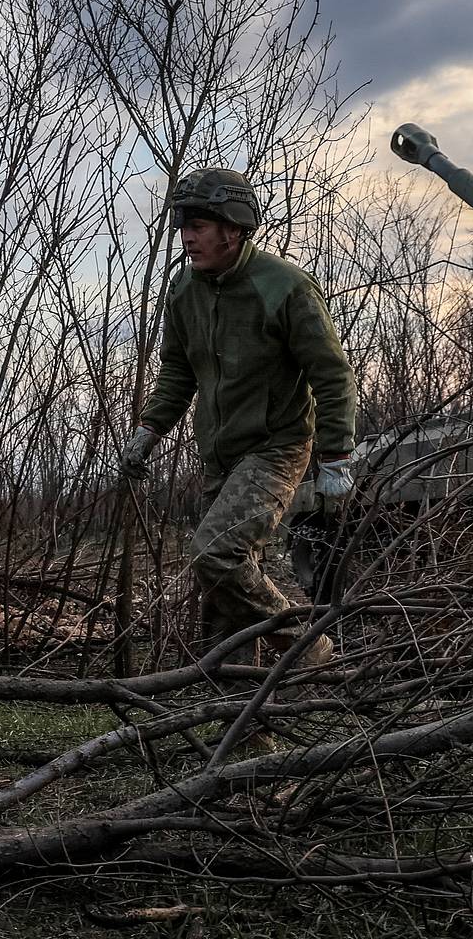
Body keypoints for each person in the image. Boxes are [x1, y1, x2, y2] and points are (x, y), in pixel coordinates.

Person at [119, 168, 357, 666]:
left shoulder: (286, 289)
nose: (186, 236)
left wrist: (336, 457)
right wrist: (148, 430)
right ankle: (239, 719)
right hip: (219, 453)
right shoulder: (185, 290)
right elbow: (177, 371)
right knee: (220, 589)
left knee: (215, 553)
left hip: (277, 447)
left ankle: (310, 650)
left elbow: (332, 376)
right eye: (183, 224)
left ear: (233, 227)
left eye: (199, 225)